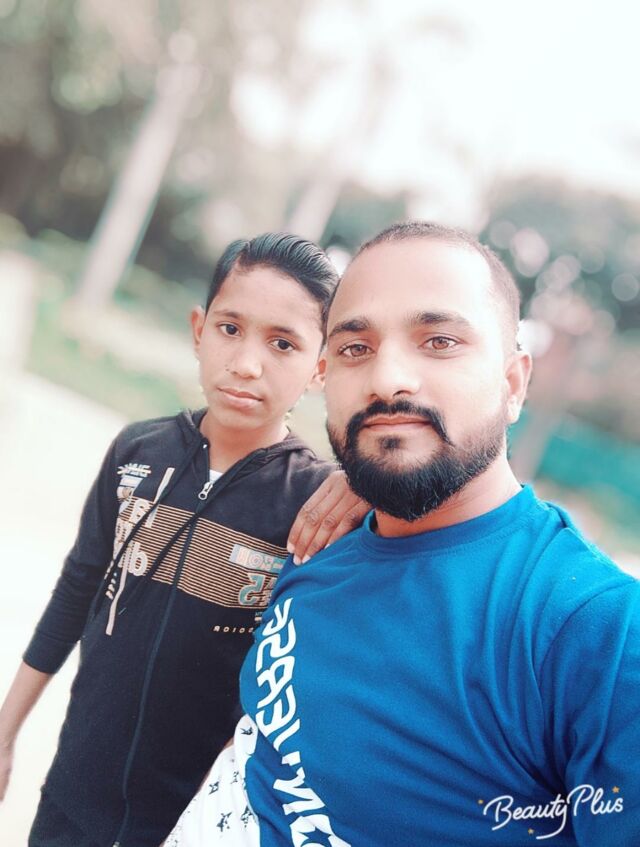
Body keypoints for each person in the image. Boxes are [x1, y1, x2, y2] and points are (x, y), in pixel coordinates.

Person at [166, 221, 640, 847]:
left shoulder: (595, 631)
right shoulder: (320, 542)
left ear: (513, 383)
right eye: (355, 348)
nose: (387, 379)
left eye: (439, 341)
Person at [0, 233, 368, 847]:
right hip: (71, 797)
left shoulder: (318, 507)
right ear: (199, 330)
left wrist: (366, 487)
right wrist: (7, 730)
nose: (246, 363)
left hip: (194, 824)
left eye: (283, 343)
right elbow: (76, 589)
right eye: (230, 329)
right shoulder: (137, 451)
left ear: (320, 368)